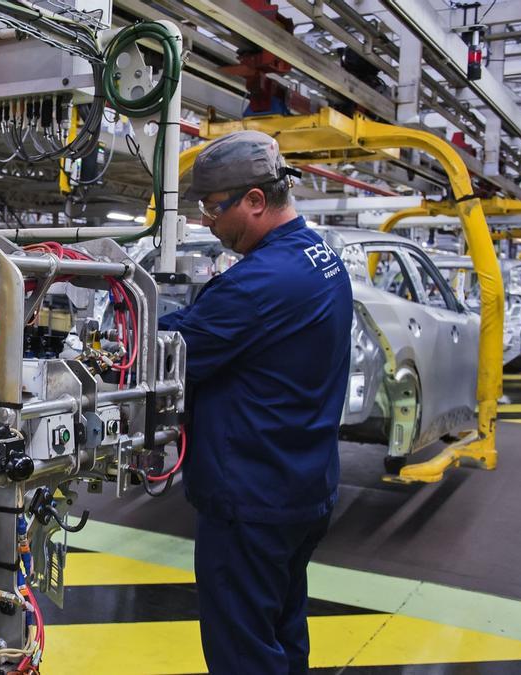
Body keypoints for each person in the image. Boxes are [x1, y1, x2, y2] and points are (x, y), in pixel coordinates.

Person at [158, 131, 352, 674]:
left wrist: (125, 322)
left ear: (256, 201)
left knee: (242, 653)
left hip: (251, 501)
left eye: (214, 210)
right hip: (303, 487)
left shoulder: (263, 280)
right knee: (283, 637)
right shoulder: (322, 259)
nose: (208, 223)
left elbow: (177, 351)